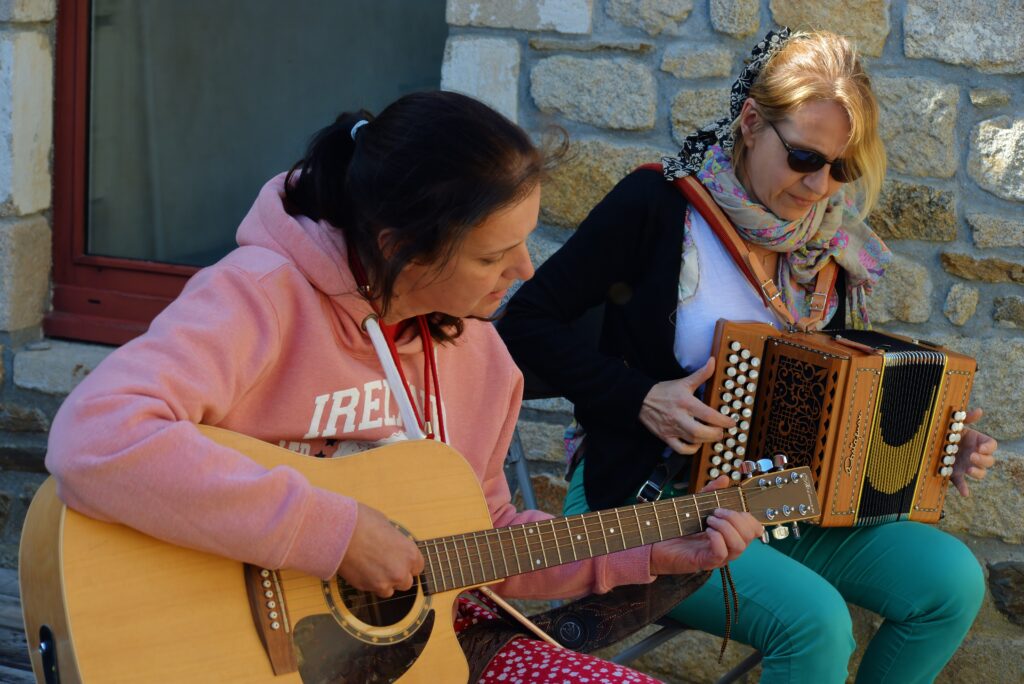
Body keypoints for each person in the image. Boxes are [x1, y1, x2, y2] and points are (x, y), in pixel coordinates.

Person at [45, 91, 763, 683]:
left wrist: (657, 552)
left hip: (407, 657)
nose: (525, 273)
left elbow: (486, 544)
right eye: (491, 255)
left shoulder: (481, 358)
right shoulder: (260, 298)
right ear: (399, 247)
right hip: (215, 648)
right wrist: (329, 533)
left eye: (525, 241)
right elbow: (95, 435)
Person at [499, 30, 998, 684]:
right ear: (752, 122)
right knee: (817, 623)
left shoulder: (831, 247)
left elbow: (830, 402)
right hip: (646, 501)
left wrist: (934, 446)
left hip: (778, 505)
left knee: (951, 582)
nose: (820, 185)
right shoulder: (657, 206)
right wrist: (640, 396)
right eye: (802, 157)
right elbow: (523, 324)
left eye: (841, 168)